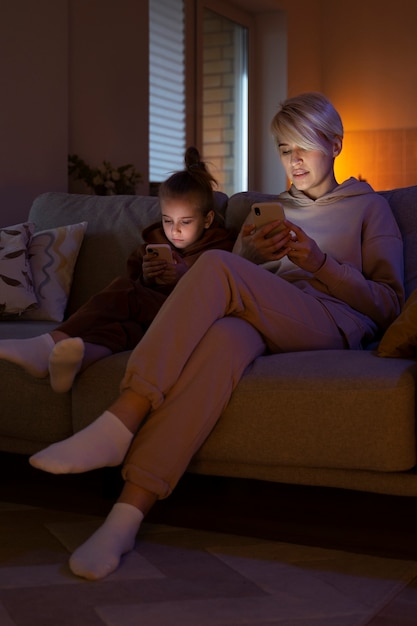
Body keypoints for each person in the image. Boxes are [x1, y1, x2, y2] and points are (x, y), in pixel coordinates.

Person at [28, 92, 404, 581]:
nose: (293, 160)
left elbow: (389, 304)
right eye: (284, 149)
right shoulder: (268, 210)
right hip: (262, 314)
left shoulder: (369, 208)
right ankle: (126, 516)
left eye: (303, 147)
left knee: (214, 264)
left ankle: (120, 420)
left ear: (333, 145)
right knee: (221, 342)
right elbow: (230, 286)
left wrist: (318, 262)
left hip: (331, 321)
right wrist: (246, 255)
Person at [0, 147, 235, 392]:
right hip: (153, 321)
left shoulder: (221, 247)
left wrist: (184, 275)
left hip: (191, 319)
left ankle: (49, 342)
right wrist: (147, 275)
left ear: (207, 220)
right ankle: (79, 360)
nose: (175, 230)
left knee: (124, 290)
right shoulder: (153, 244)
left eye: (185, 222)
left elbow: (222, 288)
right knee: (123, 330)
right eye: (168, 220)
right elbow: (136, 278)